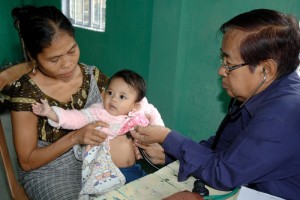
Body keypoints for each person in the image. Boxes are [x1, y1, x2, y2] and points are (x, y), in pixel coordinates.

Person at [130, 9, 300, 199]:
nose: (221, 70)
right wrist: (169, 152)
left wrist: (168, 137)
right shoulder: (260, 94)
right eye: (222, 59)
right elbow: (221, 149)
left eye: (229, 64)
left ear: (266, 70)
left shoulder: (284, 115)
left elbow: (223, 173)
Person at [5, 5, 162, 200]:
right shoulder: (26, 93)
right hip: (50, 171)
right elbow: (27, 162)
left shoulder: (91, 76)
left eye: (72, 51)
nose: (67, 64)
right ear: (32, 56)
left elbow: (125, 107)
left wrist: (133, 138)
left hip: (97, 162)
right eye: (54, 59)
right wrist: (74, 138)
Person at [31, 69, 164, 197]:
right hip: (105, 174)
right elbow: (76, 117)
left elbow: (153, 113)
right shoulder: (98, 112)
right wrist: (52, 113)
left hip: (132, 168)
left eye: (122, 97)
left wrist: (158, 133)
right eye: (110, 93)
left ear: (135, 105)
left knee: (149, 192)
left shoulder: (139, 110)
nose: (113, 99)